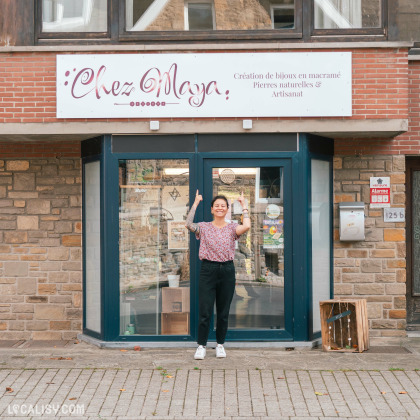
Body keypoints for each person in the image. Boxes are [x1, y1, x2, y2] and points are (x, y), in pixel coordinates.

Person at [185, 190, 250, 359]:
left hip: (227, 270)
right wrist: (196, 202)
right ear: (212, 209)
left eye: (223, 206)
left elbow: (247, 226)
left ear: (227, 209)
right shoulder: (204, 227)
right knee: (205, 311)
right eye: (217, 206)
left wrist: (244, 206)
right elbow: (188, 223)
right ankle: (201, 346)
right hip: (208, 270)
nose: (220, 208)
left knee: (223, 311)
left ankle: (220, 345)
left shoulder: (232, 227)